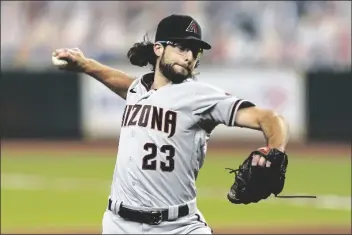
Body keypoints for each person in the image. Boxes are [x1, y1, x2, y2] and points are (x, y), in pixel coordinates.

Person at [53, 14, 289, 234]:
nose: (189, 57)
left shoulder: (199, 96)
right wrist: (86, 65)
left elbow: (269, 118)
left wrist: (275, 150)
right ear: (158, 48)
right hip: (119, 225)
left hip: (178, 227)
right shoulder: (138, 89)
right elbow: (124, 83)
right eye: (181, 47)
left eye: (195, 51)